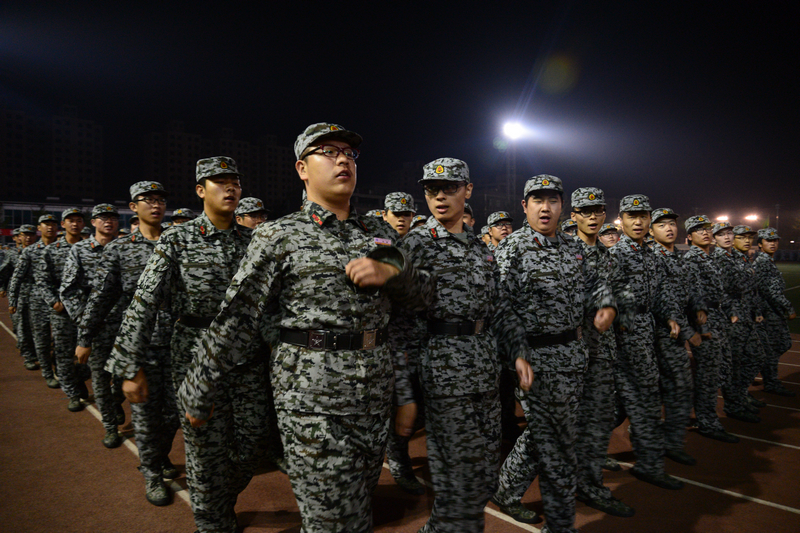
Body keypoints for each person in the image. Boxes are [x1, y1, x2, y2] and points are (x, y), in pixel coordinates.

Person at [178, 123, 434, 533]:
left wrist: (393, 273)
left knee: (356, 507)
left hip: (372, 395)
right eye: (328, 151)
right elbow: (238, 316)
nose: (342, 159)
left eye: (348, 153)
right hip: (311, 398)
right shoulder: (278, 235)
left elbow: (422, 299)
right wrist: (198, 388)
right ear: (302, 168)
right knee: (333, 520)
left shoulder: (381, 234)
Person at [106, 157, 270, 531]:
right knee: (204, 448)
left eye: (234, 182)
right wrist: (129, 366)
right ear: (200, 190)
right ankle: (212, 522)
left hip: (246, 357)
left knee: (254, 442)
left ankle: (218, 498)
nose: (230, 188)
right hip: (194, 354)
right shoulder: (178, 239)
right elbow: (144, 302)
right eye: (219, 182)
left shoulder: (253, 241)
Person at [492, 175, 616, 533]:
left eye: (552, 201)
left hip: (573, 356)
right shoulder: (512, 249)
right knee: (556, 441)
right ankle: (560, 524)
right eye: (537, 200)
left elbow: (595, 283)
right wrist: (516, 352)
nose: (545, 208)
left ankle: (506, 489)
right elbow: (500, 306)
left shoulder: (572, 246)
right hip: (535, 358)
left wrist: (605, 304)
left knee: (547, 434)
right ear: (525, 205)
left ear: (562, 207)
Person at [394, 158, 504, 532]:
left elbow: (497, 307)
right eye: (431, 190)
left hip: (485, 371)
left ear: (467, 190)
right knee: (460, 475)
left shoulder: (480, 246)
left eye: (449, 188)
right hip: (444, 374)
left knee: (485, 473)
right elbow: (399, 324)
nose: (439, 197)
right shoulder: (415, 244)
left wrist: (517, 354)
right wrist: (405, 392)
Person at [80, 182, 180, 501]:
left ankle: (158, 455)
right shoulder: (119, 249)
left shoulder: (179, 243)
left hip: (178, 344)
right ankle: (152, 473)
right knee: (146, 416)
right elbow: (101, 297)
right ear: (133, 207)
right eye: (148, 200)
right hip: (140, 344)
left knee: (175, 413)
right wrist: (85, 337)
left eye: (160, 199)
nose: (156, 205)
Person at [609, 195, 684, 490]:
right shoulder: (615, 255)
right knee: (646, 400)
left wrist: (670, 316)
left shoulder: (650, 254)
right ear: (621, 220)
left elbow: (661, 290)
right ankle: (650, 464)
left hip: (647, 330)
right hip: (626, 337)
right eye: (632, 216)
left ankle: (584, 449)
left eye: (643, 216)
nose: (638, 222)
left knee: (619, 405)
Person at [570, 188, 636, 517]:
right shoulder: (566, 252)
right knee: (554, 430)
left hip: (602, 351)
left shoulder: (607, 255)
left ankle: (590, 484)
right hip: (571, 353)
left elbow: (621, 290)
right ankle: (510, 487)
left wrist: (616, 308)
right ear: (574, 216)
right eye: (586, 211)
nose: (593, 216)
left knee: (596, 423)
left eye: (598, 210)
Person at [649, 208, 704, 465]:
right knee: (677, 387)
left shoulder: (678, 257)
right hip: (660, 332)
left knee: (674, 388)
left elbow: (688, 290)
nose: (669, 228)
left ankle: (669, 440)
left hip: (673, 332)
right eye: (661, 225)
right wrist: (688, 330)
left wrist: (699, 308)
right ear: (651, 231)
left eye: (671, 223)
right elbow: (663, 299)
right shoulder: (652, 257)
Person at [682, 216, 740, 443]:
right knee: (708, 374)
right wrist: (702, 326)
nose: (705, 233)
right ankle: (707, 421)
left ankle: (697, 409)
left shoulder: (711, 258)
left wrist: (729, 312)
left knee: (719, 370)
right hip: (705, 321)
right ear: (689, 237)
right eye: (698, 230)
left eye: (707, 229)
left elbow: (721, 291)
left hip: (718, 318)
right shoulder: (692, 260)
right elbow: (693, 296)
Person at [712, 224, 765, 423]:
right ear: (714, 239)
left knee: (755, 357)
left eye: (729, 233)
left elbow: (747, 287)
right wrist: (732, 310)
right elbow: (727, 289)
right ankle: (734, 404)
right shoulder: (719, 259)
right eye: (721, 234)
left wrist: (754, 310)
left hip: (744, 315)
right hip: (731, 318)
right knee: (734, 364)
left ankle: (741, 395)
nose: (727, 237)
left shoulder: (736, 256)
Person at [37, 209, 86, 390]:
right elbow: (42, 280)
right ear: (63, 224)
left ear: (83, 224)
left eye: (79, 220)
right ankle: (72, 393)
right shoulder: (51, 250)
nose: (75, 224)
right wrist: (53, 302)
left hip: (87, 310)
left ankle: (79, 378)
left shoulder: (91, 248)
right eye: (70, 221)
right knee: (64, 353)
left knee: (89, 352)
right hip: (62, 311)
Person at [754, 228, 797, 396]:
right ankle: (770, 381)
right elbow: (771, 291)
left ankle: (762, 369)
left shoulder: (768, 261)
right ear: (760, 244)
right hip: (769, 312)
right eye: (768, 241)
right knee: (776, 347)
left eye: (775, 240)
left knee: (779, 345)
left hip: (772, 311)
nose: (773, 243)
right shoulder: (764, 262)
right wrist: (789, 308)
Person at [7, 224, 45, 372]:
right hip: (22, 296)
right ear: (19, 237)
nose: (28, 238)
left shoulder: (42, 251)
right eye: (25, 235)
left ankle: (39, 354)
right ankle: (28, 356)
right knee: (23, 327)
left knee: (40, 329)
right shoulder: (13, 254)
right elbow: (9, 275)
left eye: (31, 235)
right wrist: (10, 296)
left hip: (40, 296)